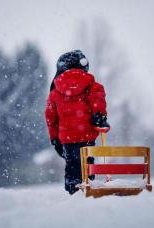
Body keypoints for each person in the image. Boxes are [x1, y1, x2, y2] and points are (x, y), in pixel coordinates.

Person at [45, 50, 110, 195]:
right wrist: (100, 116)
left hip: (67, 138)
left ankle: (73, 190)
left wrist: (55, 139)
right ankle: (89, 188)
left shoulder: (54, 93)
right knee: (88, 166)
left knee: (72, 166)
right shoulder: (92, 86)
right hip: (87, 135)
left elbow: (51, 118)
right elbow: (98, 99)